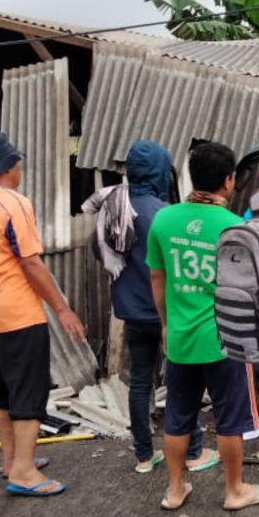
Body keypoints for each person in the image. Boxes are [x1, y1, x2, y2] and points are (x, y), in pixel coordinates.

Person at [146, 142, 259, 512]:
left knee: (177, 417)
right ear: (229, 180)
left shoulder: (164, 221)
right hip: (225, 340)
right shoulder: (236, 227)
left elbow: (157, 279)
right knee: (230, 419)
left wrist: (166, 326)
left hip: (181, 339)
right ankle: (234, 490)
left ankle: (174, 489)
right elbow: (252, 287)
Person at [0, 133, 86, 497]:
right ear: (8, 167)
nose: (20, 168)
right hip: (19, 310)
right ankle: (24, 472)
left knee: (3, 389)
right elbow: (30, 261)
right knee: (29, 392)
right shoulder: (13, 203)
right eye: (17, 163)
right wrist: (62, 308)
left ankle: (11, 459)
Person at [92, 139, 212, 475]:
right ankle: (194, 451)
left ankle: (144, 456)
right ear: (161, 171)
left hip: (130, 310)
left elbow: (98, 250)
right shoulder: (164, 213)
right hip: (166, 312)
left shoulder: (113, 206)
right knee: (180, 381)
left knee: (140, 381)